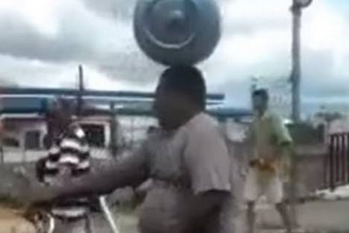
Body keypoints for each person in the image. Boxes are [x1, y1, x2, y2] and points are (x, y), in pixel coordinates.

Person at [22, 66, 235, 233]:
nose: (154, 106)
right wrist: (59, 189)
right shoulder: (158, 140)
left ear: (179, 97)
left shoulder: (203, 132)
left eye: (158, 96)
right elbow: (114, 175)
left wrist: (174, 224)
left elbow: (213, 195)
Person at [35, 98, 94, 233]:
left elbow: (64, 175)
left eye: (52, 116)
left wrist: (41, 196)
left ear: (65, 114)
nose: (49, 121)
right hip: (65, 213)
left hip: (69, 216)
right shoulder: (68, 135)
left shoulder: (70, 137)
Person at [243, 89, 294, 233]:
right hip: (257, 165)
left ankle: (290, 228)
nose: (254, 103)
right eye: (253, 100)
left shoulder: (273, 119)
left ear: (265, 101)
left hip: (270, 167)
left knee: (277, 201)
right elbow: (248, 139)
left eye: (257, 100)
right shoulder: (255, 120)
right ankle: (249, 230)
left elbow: (285, 142)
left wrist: (276, 161)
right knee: (250, 199)